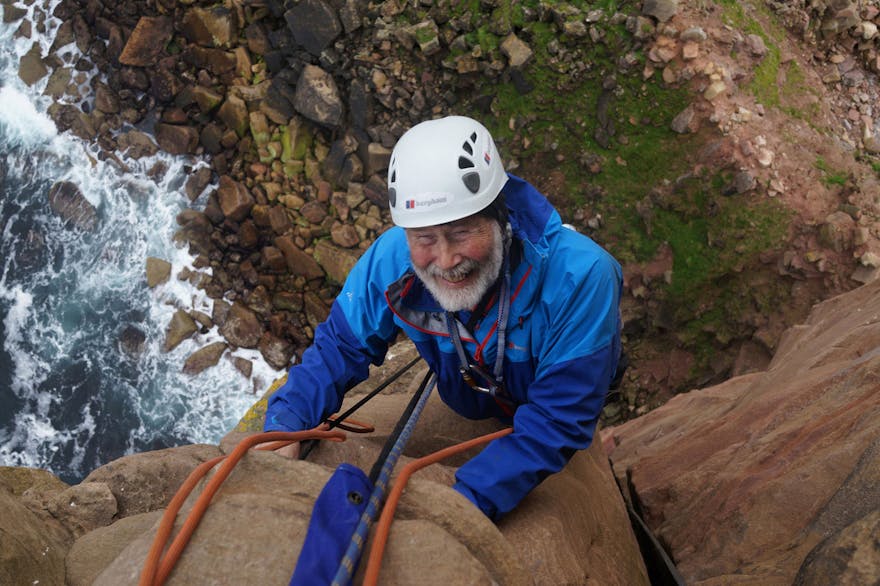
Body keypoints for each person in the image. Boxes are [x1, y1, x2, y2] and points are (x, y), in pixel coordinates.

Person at [263, 115, 623, 521]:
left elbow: (556, 419)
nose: (447, 260)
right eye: (425, 238)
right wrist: (286, 423)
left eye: (461, 232)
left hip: (546, 389)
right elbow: (340, 347)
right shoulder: (393, 260)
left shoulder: (581, 277)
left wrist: (464, 503)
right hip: (475, 397)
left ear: (500, 215)